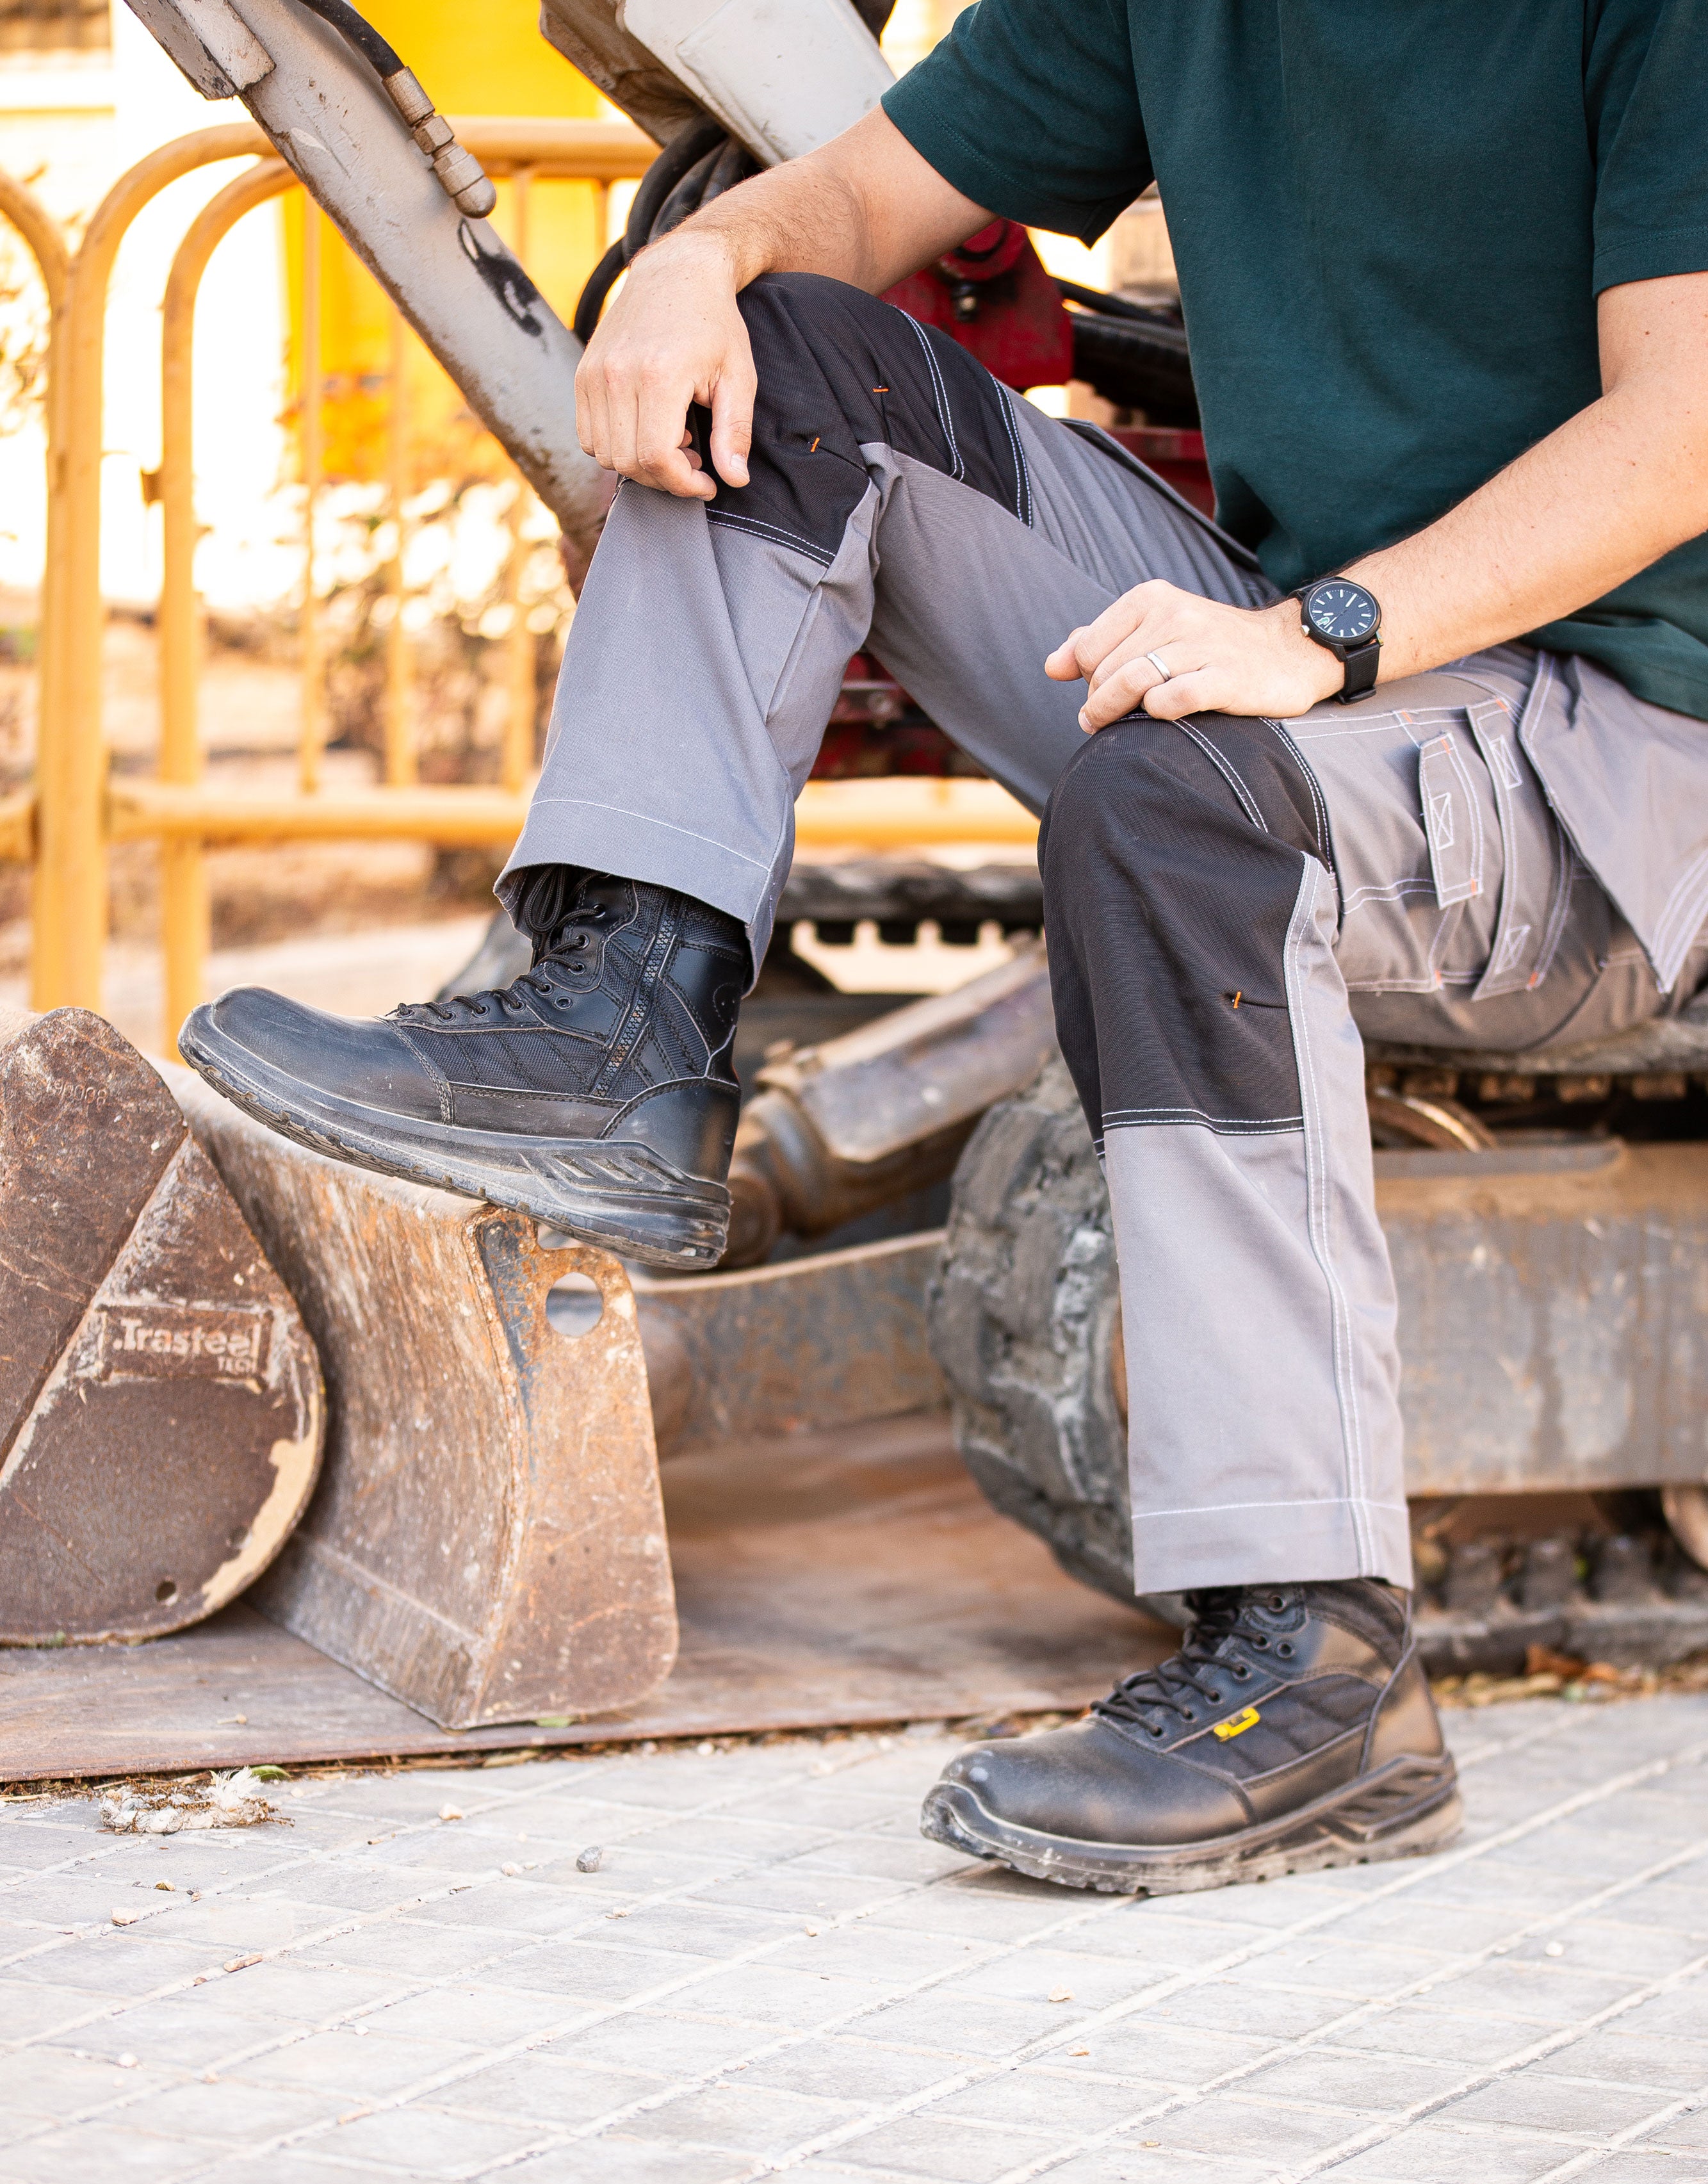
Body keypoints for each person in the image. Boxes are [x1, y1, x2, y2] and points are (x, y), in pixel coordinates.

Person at [183, 1, 1708, 1895]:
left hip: (1611, 741)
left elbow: (1684, 423)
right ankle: (617, 1035)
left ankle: (1315, 1665)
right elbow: (860, 196)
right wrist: (700, 262)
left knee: (1177, 812)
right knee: (791, 369)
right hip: (1314, 660)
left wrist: (1319, 632)